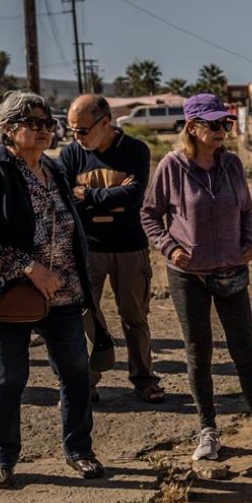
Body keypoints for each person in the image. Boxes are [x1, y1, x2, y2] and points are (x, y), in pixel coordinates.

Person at [0, 90, 108, 487]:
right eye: (33, 123)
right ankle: (1, 457)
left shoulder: (54, 169)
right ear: (8, 129)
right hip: (11, 296)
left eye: (48, 123)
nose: (44, 129)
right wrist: (30, 268)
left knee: (77, 374)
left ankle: (80, 450)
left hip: (65, 294)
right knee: (8, 379)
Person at [140, 93, 252, 464]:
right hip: (188, 275)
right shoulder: (172, 166)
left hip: (232, 270)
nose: (222, 129)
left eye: (226, 123)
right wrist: (170, 248)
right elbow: (149, 214)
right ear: (193, 127)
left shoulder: (233, 164)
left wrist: (248, 242)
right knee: (199, 353)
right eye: (214, 124)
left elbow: (247, 210)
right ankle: (208, 430)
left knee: (245, 352)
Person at [60, 94, 164, 403]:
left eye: (82, 130)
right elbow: (65, 196)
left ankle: (144, 379)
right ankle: (87, 382)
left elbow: (134, 196)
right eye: (72, 130)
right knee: (87, 317)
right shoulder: (71, 154)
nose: (76, 137)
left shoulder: (135, 150)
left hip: (129, 247)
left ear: (105, 123)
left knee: (135, 316)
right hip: (88, 249)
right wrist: (110, 196)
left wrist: (87, 195)